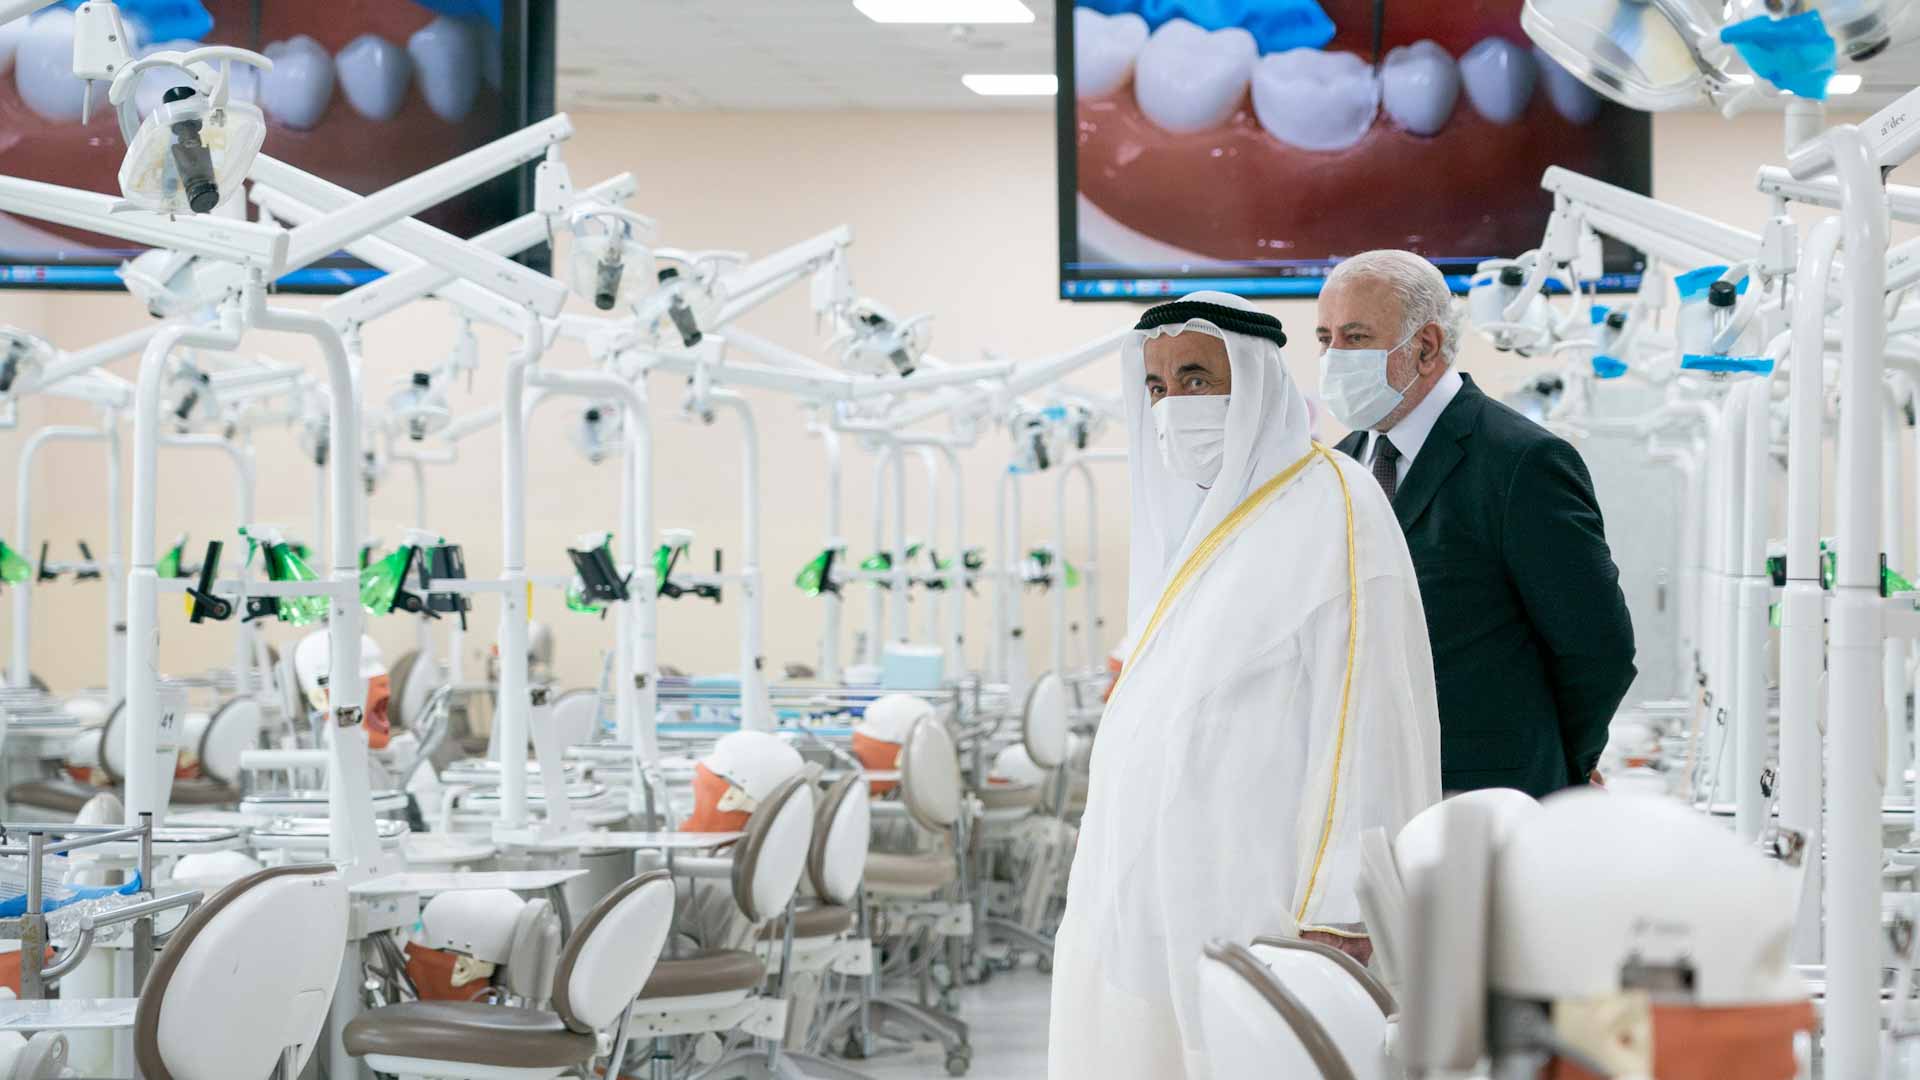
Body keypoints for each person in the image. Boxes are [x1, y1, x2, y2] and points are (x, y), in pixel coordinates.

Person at [1048, 291, 1441, 1080]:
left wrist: (1343, 907)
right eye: (1158, 388)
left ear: (1257, 382)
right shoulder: (1203, 525)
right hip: (1157, 899)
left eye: (1197, 379)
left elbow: (1369, 720)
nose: (1173, 407)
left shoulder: (1334, 504)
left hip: (1262, 899)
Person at [1317, 249, 1637, 796]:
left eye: (1355, 337)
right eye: (1325, 339)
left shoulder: (1521, 461)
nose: (1333, 358)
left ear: (1426, 346)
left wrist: (1567, 763)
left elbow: (1596, 646)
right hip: (1369, 784)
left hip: (1492, 791)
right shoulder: (1341, 466)